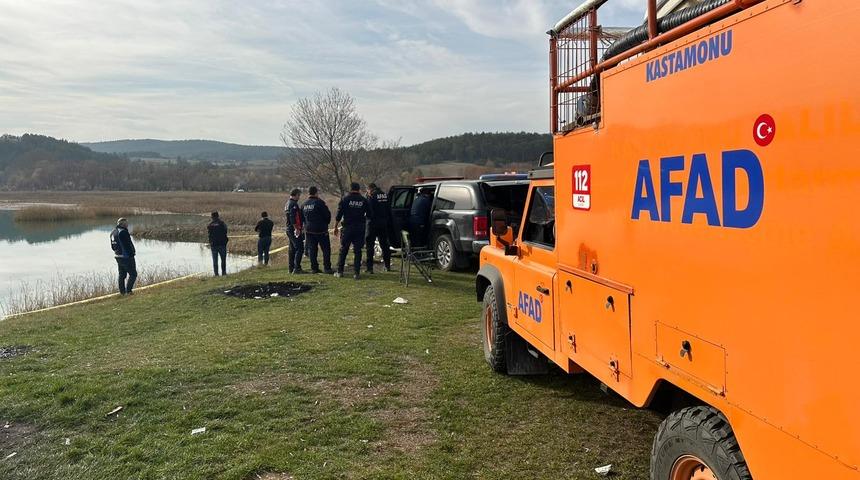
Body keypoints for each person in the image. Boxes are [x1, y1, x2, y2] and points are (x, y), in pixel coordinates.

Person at [333, 182, 370, 279]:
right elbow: (370, 214)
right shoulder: (364, 200)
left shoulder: (345, 199)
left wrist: (336, 227)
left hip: (347, 228)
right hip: (359, 228)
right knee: (358, 251)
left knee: (344, 249)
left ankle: (340, 272)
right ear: (358, 189)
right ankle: (356, 273)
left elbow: (339, 214)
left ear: (350, 189)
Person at [301, 186, 333, 274]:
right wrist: (326, 223)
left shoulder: (304, 204)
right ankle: (327, 268)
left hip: (309, 230)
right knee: (326, 249)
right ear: (316, 193)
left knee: (312, 250)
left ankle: (314, 268)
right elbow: (327, 215)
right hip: (321, 230)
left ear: (308, 193)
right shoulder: (320, 203)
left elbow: (302, 218)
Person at [365, 182, 392, 273]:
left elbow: (369, 210)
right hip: (383, 223)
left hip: (372, 223)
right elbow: (389, 209)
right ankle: (387, 266)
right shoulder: (385, 195)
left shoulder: (371, 196)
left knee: (370, 245)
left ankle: (369, 268)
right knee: (384, 245)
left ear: (370, 189)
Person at [110, 217, 137, 295]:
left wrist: (118, 252)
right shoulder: (123, 232)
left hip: (117, 256)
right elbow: (128, 244)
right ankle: (129, 291)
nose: (128, 225)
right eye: (126, 223)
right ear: (123, 224)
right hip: (126, 257)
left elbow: (112, 246)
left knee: (122, 274)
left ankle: (122, 292)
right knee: (133, 274)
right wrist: (132, 253)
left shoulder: (113, 232)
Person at [284, 188, 305, 274]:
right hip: (293, 229)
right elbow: (293, 218)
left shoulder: (287, 203)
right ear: (295, 194)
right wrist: (297, 228)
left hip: (289, 228)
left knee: (292, 249)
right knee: (300, 248)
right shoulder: (293, 204)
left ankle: (291, 268)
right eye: (298, 195)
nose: (299, 197)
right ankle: (297, 268)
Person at [207, 211, 229, 276]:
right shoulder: (222, 223)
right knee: (223, 260)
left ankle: (216, 274)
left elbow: (209, 234)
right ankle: (224, 273)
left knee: (215, 261)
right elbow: (226, 231)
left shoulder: (210, 225)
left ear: (212, 217)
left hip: (213, 245)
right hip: (222, 244)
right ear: (218, 216)